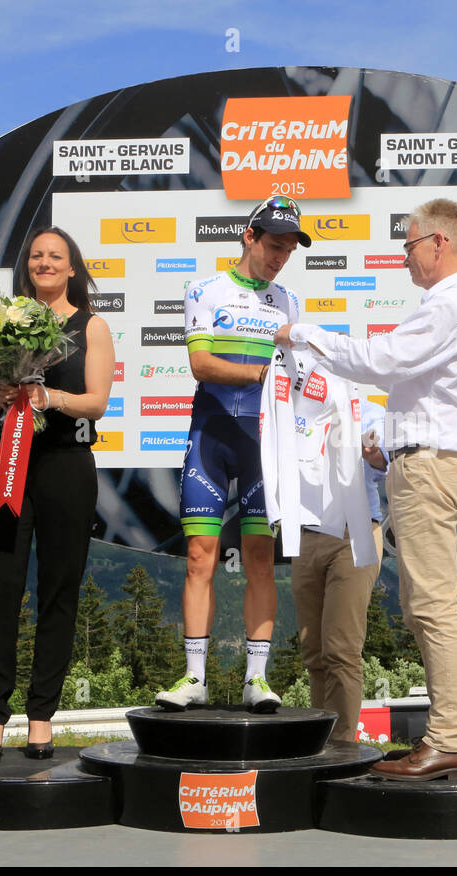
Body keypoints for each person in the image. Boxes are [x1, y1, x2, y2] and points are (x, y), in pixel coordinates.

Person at [275, 198, 457, 780]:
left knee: (432, 607)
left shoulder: (449, 306)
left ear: (439, 244)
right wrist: (390, 443)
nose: (404, 256)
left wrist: (300, 333)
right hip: (425, 463)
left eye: (409, 244)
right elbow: (427, 394)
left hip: (429, 471)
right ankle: (446, 735)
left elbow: (378, 360)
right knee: (426, 605)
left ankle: (448, 738)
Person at [156, 197, 310, 714]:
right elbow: (201, 364)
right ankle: (194, 678)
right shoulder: (204, 290)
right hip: (212, 436)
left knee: (260, 560)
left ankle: (256, 680)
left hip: (263, 446)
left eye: (288, 250)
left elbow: (297, 377)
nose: (280, 257)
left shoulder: (288, 301)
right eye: (273, 246)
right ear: (249, 236)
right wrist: (260, 374)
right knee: (199, 558)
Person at [0, 226, 115, 763]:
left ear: (72, 267)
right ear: (27, 266)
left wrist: (46, 396)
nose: (45, 263)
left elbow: (96, 402)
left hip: (66, 467)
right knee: (2, 586)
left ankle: (41, 717)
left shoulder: (92, 326)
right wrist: (6, 393)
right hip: (8, 468)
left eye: (56, 256)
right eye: (36, 256)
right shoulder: (2, 322)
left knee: (59, 589)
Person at [288, 388, 388, 745]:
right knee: (313, 650)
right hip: (306, 534)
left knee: (341, 648)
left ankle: (343, 743)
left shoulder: (370, 411)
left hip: (354, 532)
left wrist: (373, 453)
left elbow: (385, 460)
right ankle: (320, 739)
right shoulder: (298, 410)